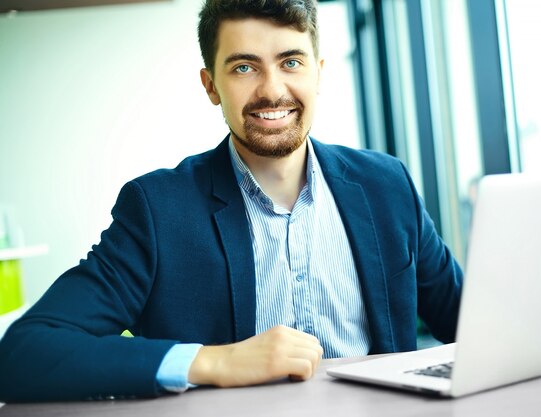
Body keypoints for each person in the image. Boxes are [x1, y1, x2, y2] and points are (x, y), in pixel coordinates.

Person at [0, 0, 463, 402]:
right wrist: (216, 363)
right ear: (211, 85)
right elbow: (24, 354)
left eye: (291, 62)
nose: (272, 90)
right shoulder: (158, 209)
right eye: (244, 67)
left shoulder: (387, 185)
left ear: (319, 73)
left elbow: (470, 320)